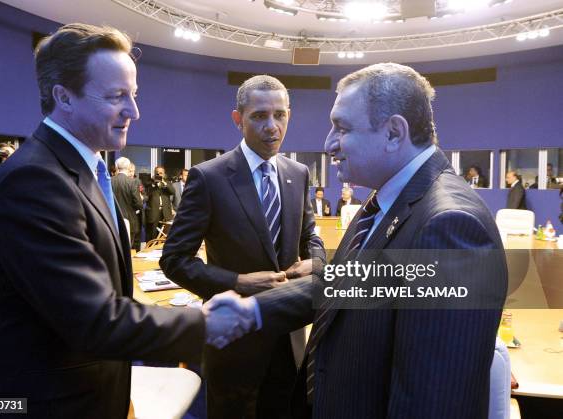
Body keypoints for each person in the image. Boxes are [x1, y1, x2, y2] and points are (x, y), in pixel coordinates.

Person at [0, 23, 244, 418]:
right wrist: (203, 323)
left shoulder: (82, 170)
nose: (134, 111)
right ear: (64, 96)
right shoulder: (35, 180)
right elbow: (96, 320)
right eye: (117, 97)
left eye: (133, 94)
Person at [207, 63, 507, 419]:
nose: (329, 143)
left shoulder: (450, 228)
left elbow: (429, 402)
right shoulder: (387, 199)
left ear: (394, 132)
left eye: (341, 128)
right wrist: (252, 310)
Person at [160, 74, 324, 418]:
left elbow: (311, 235)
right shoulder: (209, 177)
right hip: (234, 339)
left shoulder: (298, 173)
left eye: (280, 115)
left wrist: (317, 261)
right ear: (238, 119)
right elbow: (174, 259)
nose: (271, 126)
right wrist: (237, 281)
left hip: (289, 335)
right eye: (259, 116)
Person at [111, 156, 142, 249]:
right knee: (128, 249)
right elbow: (139, 203)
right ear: (128, 167)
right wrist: (135, 209)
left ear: (116, 167)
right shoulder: (132, 182)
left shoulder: (110, 180)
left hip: (113, 219)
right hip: (130, 219)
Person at [144, 165, 174, 241]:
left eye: (161, 173)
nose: (159, 175)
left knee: (164, 236)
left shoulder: (167, 183)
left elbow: (172, 192)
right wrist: (154, 184)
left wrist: (164, 183)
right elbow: (147, 194)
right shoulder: (149, 183)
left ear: (164, 174)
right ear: (154, 173)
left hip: (165, 213)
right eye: (157, 173)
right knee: (152, 235)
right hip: (154, 213)